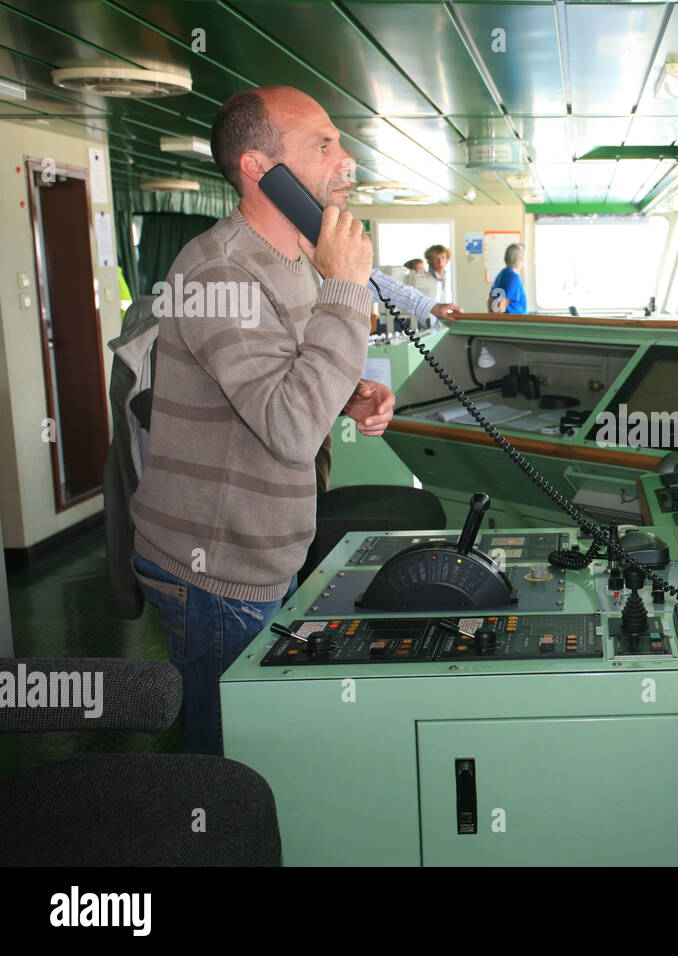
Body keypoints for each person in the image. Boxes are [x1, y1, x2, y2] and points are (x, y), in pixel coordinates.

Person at [129, 86, 447, 755]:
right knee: (228, 763)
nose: (345, 158)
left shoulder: (293, 259)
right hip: (215, 571)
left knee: (262, 743)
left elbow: (284, 381)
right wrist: (347, 289)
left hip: (267, 552)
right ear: (258, 167)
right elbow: (288, 430)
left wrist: (346, 392)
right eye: (323, 143)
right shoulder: (221, 271)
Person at [488, 242, 527, 314]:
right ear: (521, 258)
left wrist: (492, 318)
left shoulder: (501, 274)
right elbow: (501, 306)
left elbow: (490, 300)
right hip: (516, 321)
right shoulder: (515, 278)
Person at [424, 243, 454, 307]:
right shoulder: (425, 277)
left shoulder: (448, 276)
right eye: (436, 258)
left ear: (447, 259)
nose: (440, 262)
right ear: (430, 260)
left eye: (443, 258)